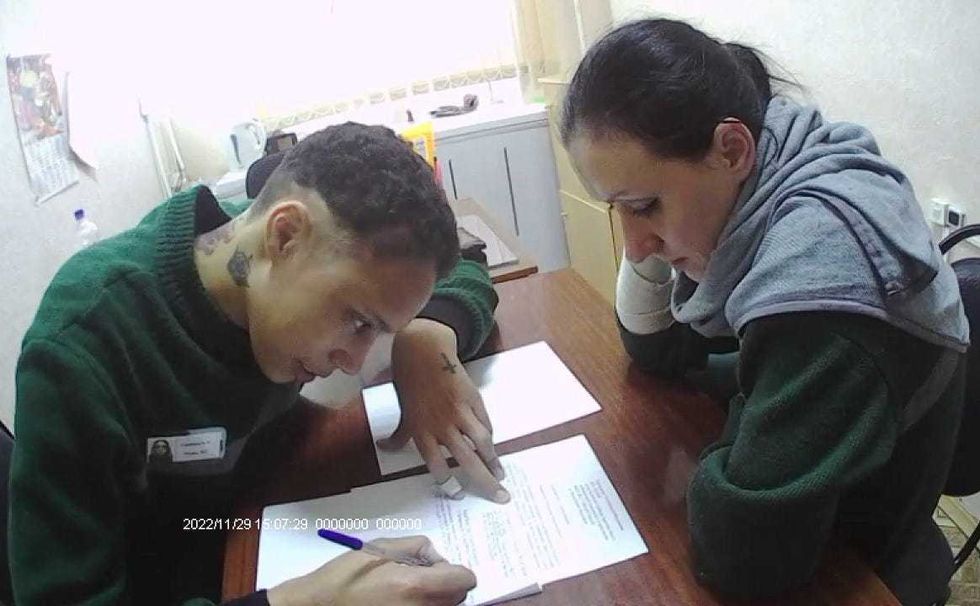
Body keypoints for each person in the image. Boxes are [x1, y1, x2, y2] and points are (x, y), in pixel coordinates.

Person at [11, 122, 509, 606]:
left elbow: (462, 261)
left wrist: (424, 338)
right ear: (284, 236)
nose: (354, 362)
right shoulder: (83, 350)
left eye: (378, 332)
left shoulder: (252, 240)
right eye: (358, 321)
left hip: (260, 518)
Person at [560, 18, 968, 606]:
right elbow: (656, 349)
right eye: (617, 210)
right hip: (831, 523)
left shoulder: (821, 281)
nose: (634, 242)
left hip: (857, 570)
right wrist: (646, 222)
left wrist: (730, 444)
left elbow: (744, 556)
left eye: (645, 205)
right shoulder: (762, 161)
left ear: (732, 148)